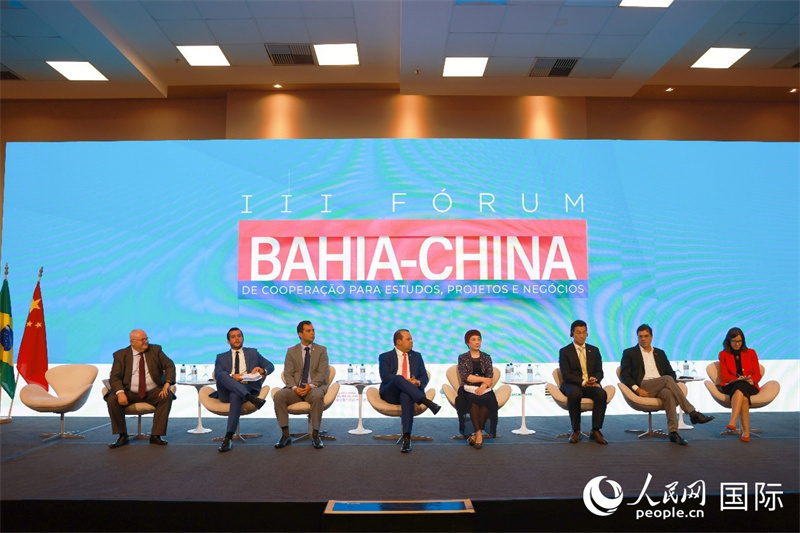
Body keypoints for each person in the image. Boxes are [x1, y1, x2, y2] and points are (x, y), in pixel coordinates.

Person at [620, 324, 714, 446]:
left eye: (646, 336)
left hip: (661, 384)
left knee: (668, 393)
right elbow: (625, 375)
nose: (643, 339)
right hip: (644, 385)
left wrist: (668, 384)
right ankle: (692, 412)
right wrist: (637, 389)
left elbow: (671, 373)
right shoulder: (629, 353)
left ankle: (673, 432)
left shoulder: (660, 353)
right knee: (667, 379)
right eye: (640, 336)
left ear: (651, 337)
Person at [106, 329, 175, 448]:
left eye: (147, 339)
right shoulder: (121, 355)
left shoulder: (155, 350)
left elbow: (169, 365)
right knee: (112, 399)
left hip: (152, 390)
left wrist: (167, 383)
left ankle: (156, 435)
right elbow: (115, 377)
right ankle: (122, 435)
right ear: (132, 341)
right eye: (143, 340)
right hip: (129, 391)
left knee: (166, 397)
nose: (146, 342)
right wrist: (120, 392)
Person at [378, 329, 441, 453]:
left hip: (410, 392)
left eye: (411, 339)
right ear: (399, 341)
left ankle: (407, 439)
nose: (412, 341)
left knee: (406, 395)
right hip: (391, 392)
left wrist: (418, 382)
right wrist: (405, 381)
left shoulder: (417, 356)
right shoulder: (385, 356)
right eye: (408, 339)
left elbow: (424, 376)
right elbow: (385, 377)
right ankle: (427, 402)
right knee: (398, 378)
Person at [213, 327, 275, 452]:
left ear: (243, 338)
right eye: (233, 337)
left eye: (239, 336)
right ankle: (251, 398)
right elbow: (218, 374)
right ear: (228, 341)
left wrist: (263, 370)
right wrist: (232, 377)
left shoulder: (253, 353)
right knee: (222, 375)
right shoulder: (221, 357)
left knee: (236, 395)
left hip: (246, 386)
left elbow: (270, 366)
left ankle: (228, 438)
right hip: (225, 391)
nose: (237, 339)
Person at [273, 321, 329, 449]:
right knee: (279, 396)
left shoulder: (321, 350)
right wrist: (294, 388)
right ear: (300, 334)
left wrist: (311, 386)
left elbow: (323, 372)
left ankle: (316, 435)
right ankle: (285, 435)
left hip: (314, 388)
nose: (312, 333)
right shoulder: (291, 351)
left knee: (317, 395)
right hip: (296, 389)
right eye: (308, 331)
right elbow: (288, 373)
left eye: (313, 330)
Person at [558, 320, 608, 445]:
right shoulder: (565, 351)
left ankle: (595, 430)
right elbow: (566, 375)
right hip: (572, 384)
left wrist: (595, 379)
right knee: (575, 393)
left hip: (590, 385)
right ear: (572, 334)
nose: (581, 335)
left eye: (584, 332)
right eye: (578, 333)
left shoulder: (594, 350)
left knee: (601, 394)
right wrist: (583, 382)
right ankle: (576, 430)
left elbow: (599, 371)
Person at [455, 329, 499, 449]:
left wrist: (483, 386)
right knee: (473, 401)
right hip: (467, 388)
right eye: (473, 340)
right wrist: (483, 380)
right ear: (467, 342)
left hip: (484, 388)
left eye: (479, 339)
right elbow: (466, 376)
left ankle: (476, 435)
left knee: (488, 401)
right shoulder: (463, 357)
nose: (477, 342)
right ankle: (479, 434)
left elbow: (490, 376)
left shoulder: (486, 357)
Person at [718, 327, 762, 443]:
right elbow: (724, 375)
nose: (737, 344)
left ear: (743, 341)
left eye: (739, 341)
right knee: (742, 393)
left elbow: (757, 373)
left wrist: (752, 380)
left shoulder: (751, 353)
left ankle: (733, 421)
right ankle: (745, 432)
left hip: (749, 385)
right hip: (731, 385)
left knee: (741, 386)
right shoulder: (723, 354)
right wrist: (737, 379)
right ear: (728, 341)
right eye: (734, 341)